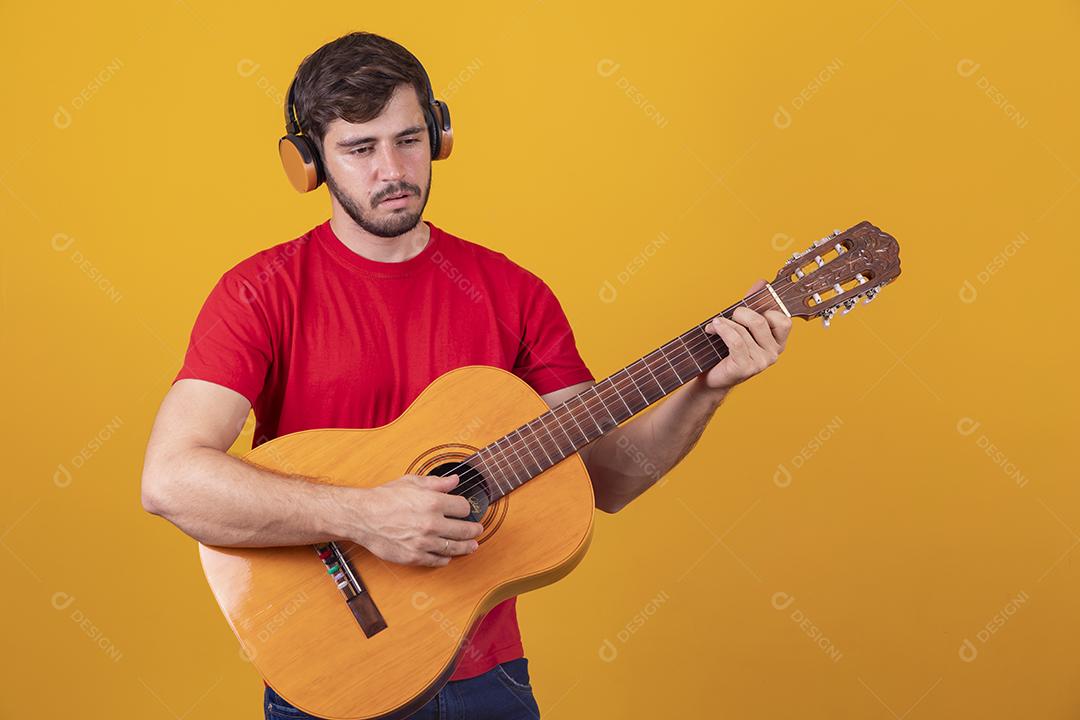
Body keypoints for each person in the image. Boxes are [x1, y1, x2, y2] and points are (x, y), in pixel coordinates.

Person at [139, 30, 792, 720]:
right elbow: (170, 479)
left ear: (440, 134)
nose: (392, 169)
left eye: (409, 139)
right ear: (309, 164)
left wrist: (704, 390)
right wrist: (365, 516)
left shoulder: (514, 292)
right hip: (334, 669)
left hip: (491, 683)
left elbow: (606, 479)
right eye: (360, 150)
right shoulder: (261, 292)